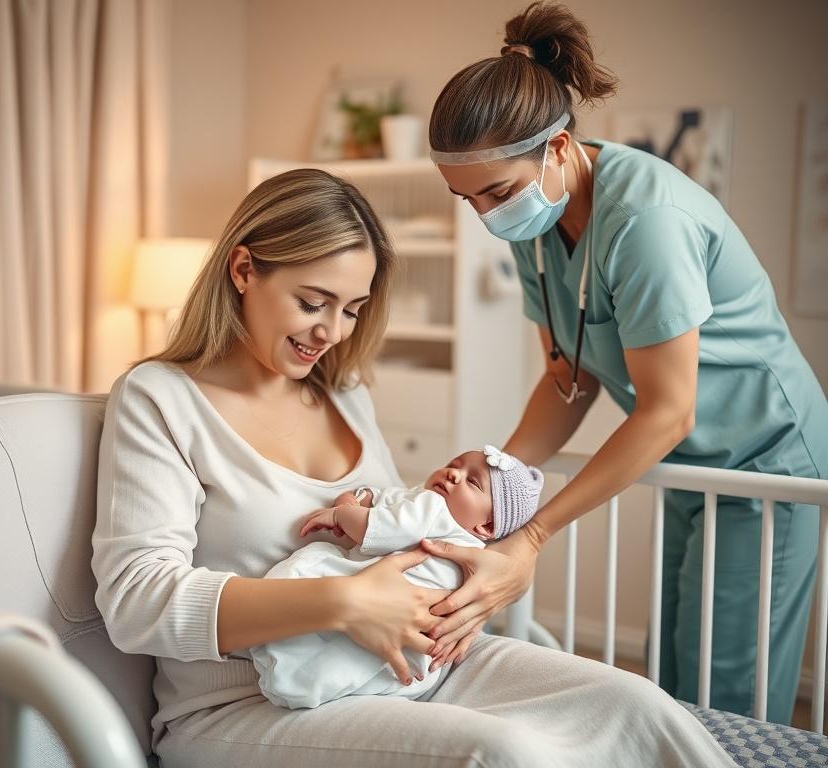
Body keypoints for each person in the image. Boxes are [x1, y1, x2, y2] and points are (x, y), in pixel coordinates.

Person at [92, 167, 736, 766]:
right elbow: (134, 599)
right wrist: (342, 602)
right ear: (242, 270)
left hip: (406, 669)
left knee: (637, 707)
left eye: (351, 309)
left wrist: (467, 584)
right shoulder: (161, 398)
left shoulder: (343, 393)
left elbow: (404, 527)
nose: (332, 333)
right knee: (501, 753)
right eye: (313, 302)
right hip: (241, 705)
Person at [425, 0, 828, 724]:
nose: (486, 215)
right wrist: (496, 479)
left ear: (557, 147)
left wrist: (534, 535)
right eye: (467, 199)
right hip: (686, 461)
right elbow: (568, 377)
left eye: (496, 193)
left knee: (725, 685)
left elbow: (667, 411)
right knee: (672, 670)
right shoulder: (535, 219)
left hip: (767, 460)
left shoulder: (646, 221)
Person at [251, 445, 544, 709]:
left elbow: (379, 528)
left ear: (486, 526)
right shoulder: (431, 509)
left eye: (472, 481)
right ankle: (306, 685)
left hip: (389, 610)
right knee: (354, 666)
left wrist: (342, 514)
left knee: (310, 563)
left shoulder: (434, 508)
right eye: (455, 464)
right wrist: (360, 497)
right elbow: (383, 498)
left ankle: (287, 671)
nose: (454, 474)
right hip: (422, 650)